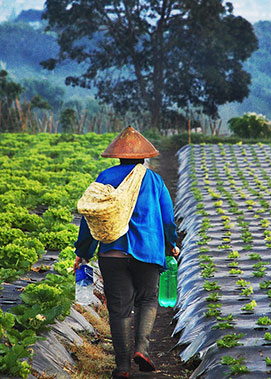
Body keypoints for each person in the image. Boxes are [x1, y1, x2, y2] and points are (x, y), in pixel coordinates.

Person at [73, 126, 180, 379]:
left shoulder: (105, 176)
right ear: (144, 157)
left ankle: (122, 368)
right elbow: (167, 220)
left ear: (117, 157)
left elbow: (92, 216)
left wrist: (83, 252)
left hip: (112, 253)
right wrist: (170, 244)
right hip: (148, 252)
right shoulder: (154, 180)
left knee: (119, 309)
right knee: (147, 299)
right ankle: (142, 349)